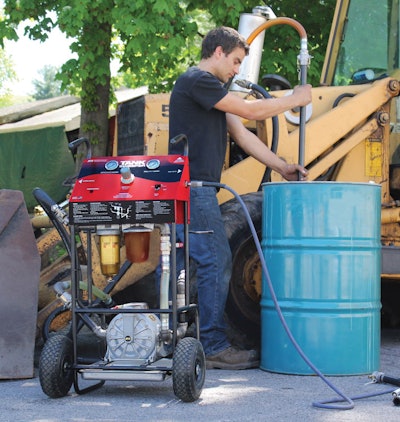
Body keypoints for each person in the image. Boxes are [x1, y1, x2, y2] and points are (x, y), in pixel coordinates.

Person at [168, 26, 312, 370]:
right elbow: (253, 112)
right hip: (194, 190)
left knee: (193, 265)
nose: (236, 70)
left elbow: (244, 135)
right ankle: (214, 345)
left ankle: (182, 339)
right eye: (234, 62)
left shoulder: (212, 94)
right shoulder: (196, 81)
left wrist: (282, 167)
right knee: (216, 261)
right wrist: (296, 98)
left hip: (195, 190)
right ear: (217, 52)